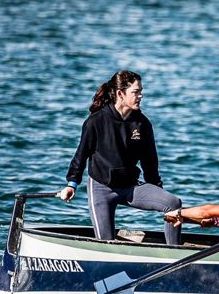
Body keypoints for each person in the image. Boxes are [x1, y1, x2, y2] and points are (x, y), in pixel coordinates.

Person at [57, 71, 182, 244]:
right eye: (136, 92)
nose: (141, 95)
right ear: (120, 94)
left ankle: (175, 256)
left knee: (173, 203)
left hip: (130, 187)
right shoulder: (95, 121)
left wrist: (157, 189)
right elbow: (81, 155)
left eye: (141, 91)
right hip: (101, 188)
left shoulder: (142, 124)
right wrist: (72, 184)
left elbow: (150, 162)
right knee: (106, 244)